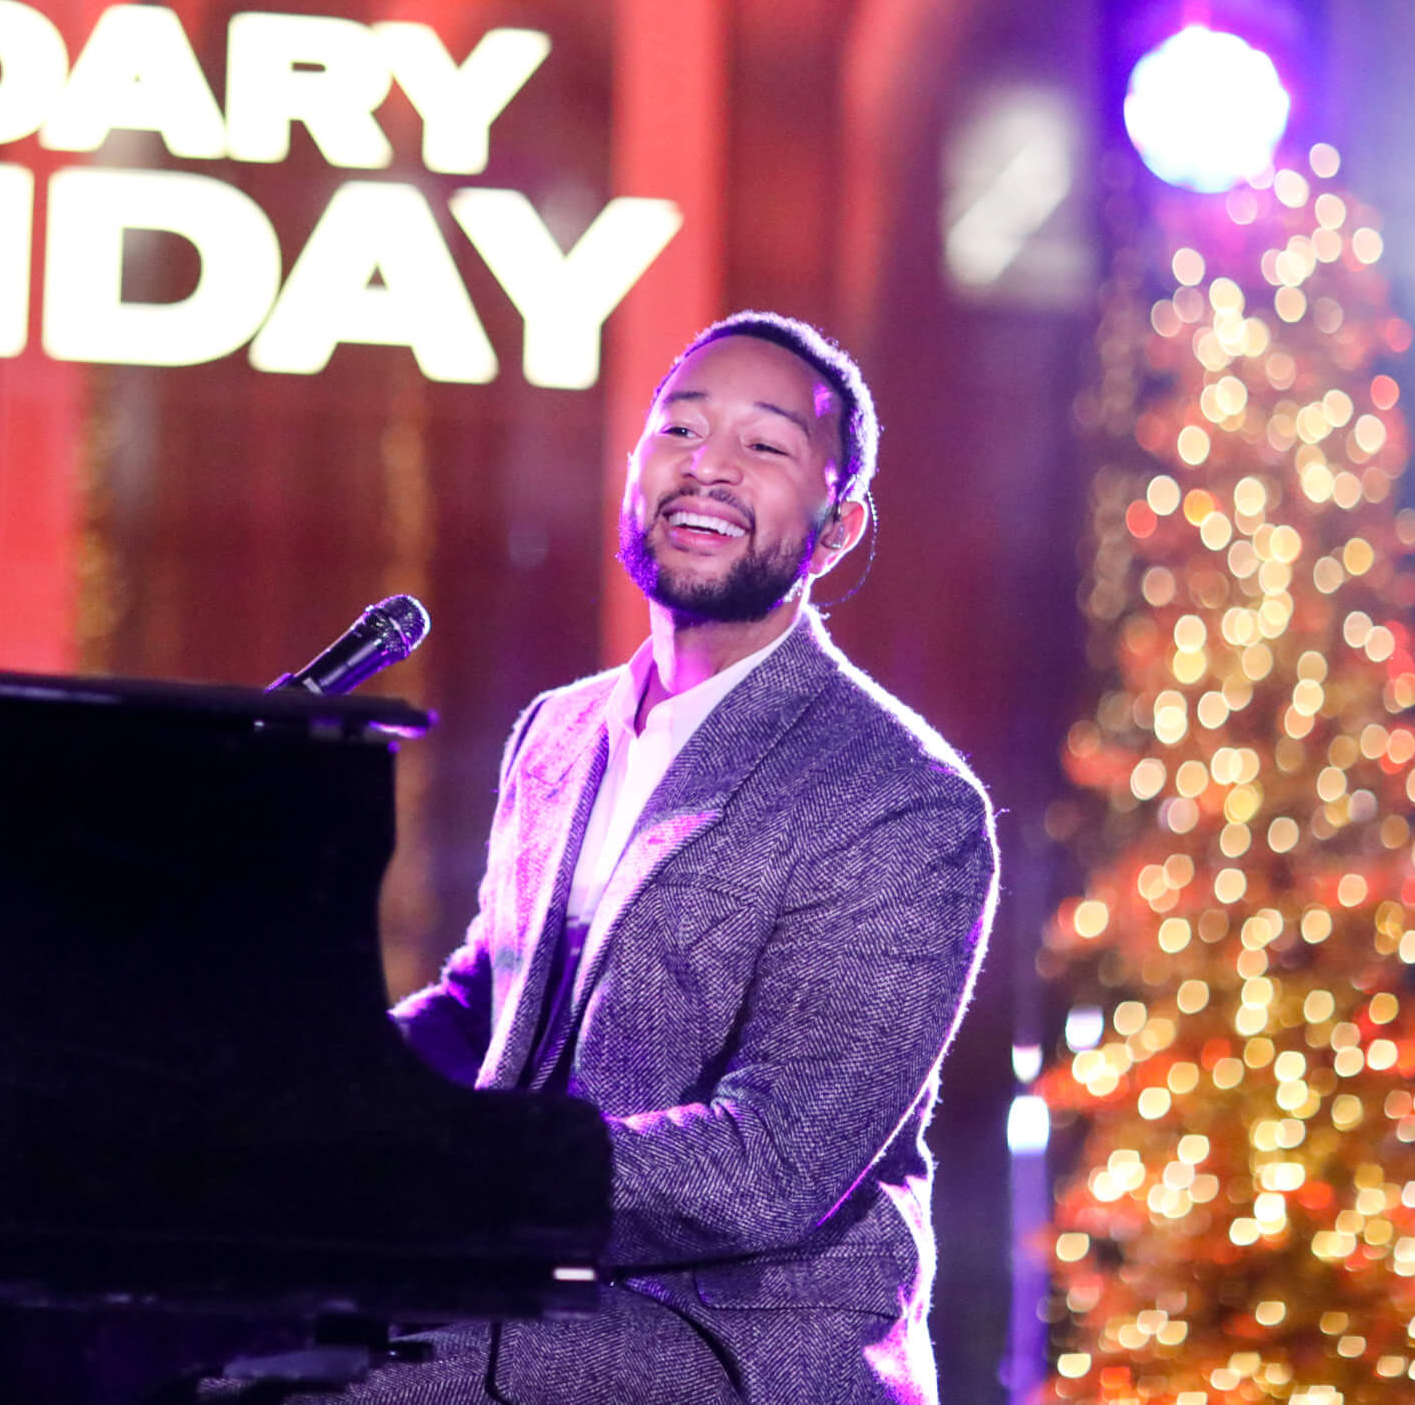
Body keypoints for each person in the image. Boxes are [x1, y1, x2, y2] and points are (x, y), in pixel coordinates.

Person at [372, 311, 998, 1404]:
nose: (706, 468)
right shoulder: (559, 732)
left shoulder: (902, 799)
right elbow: (494, 1004)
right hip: (525, 1291)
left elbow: (775, 1161)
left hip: (731, 1347)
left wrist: (468, 1175)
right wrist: (304, 1095)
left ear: (838, 527)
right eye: (679, 430)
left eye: (764, 447)